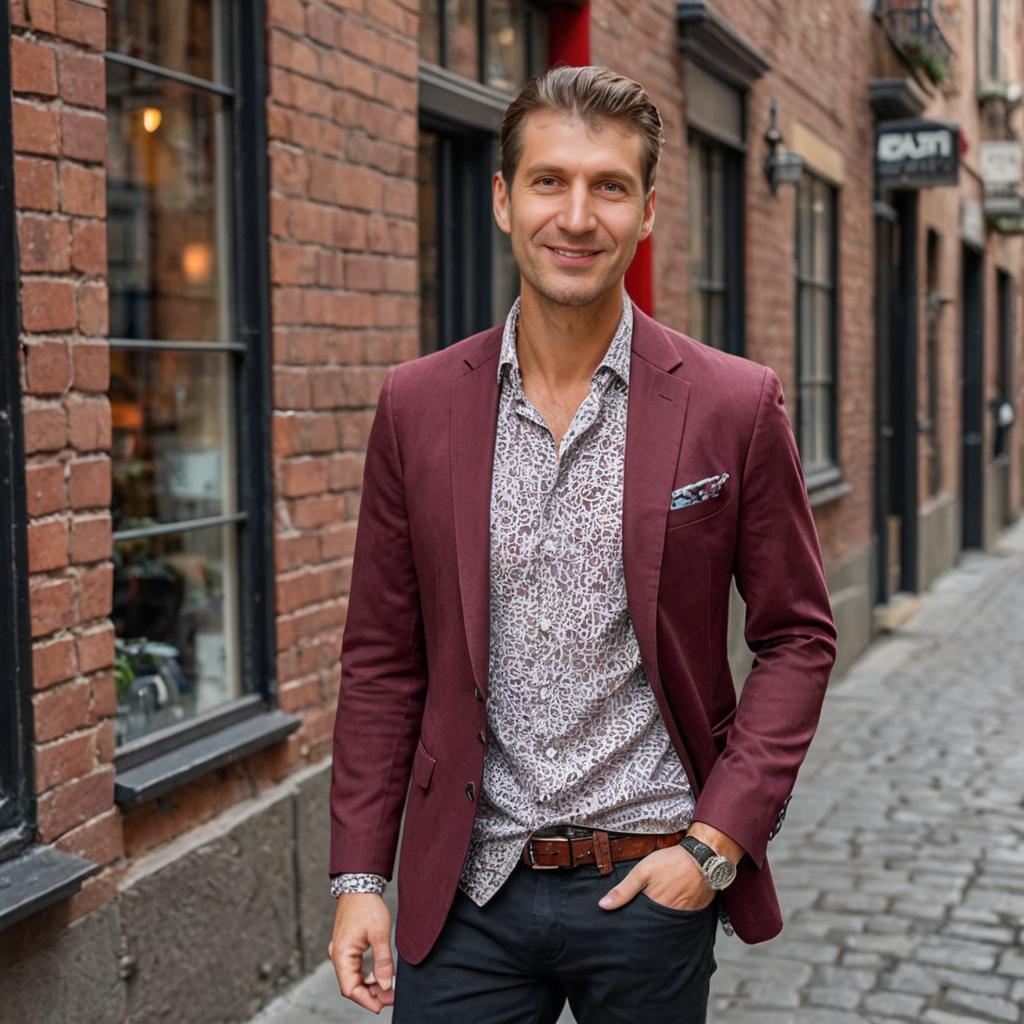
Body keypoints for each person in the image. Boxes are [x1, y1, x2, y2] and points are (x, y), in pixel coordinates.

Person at [326, 64, 837, 1023]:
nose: (576, 215)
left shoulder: (733, 403)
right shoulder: (418, 404)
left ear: (646, 212)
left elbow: (798, 638)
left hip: (648, 882)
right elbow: (383, 658)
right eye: (549, 181)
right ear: (502, 202)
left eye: (607, 186)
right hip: (466, 890)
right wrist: (358, 873)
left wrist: (715, 843)